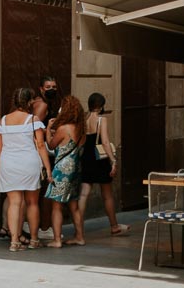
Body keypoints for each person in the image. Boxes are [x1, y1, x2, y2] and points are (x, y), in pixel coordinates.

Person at [0, 87, 53, 252]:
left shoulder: (3, 121)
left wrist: (2, 166)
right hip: (29, 162)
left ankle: (14, 241)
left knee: (14, 202)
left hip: (8, 163)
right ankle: (34, 239)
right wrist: (48, 168)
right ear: (29, 102)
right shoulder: (33, 120)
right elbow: (40, 145)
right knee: (32, 202)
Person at [78, 93, 129, 236]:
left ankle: (79, 229)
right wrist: (113, 161)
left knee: (83, 194)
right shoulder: (102, 120)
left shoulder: (84, 119)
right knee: (107, 195)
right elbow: (105, 142)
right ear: (100, 106)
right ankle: (114, 226)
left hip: (87, 157)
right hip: (99, 158)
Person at [44, 94, 86, 247]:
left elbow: (51, 145)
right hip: (76, 170)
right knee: (74, 206)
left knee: (57, 206)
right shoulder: (81, 129)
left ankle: (57, 240)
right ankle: (79, 237)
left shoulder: (64, 128)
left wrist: (48, 129)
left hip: (62, 170)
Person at [34, 75, 59, 238]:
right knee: (45, 192)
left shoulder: (39, 102)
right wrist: (49, 131)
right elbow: (33, 126)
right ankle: (43, 228)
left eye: (54, 87)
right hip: (40, 153)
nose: (51, 90)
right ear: (41, 89)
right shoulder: (42, 105)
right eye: (48, 87)